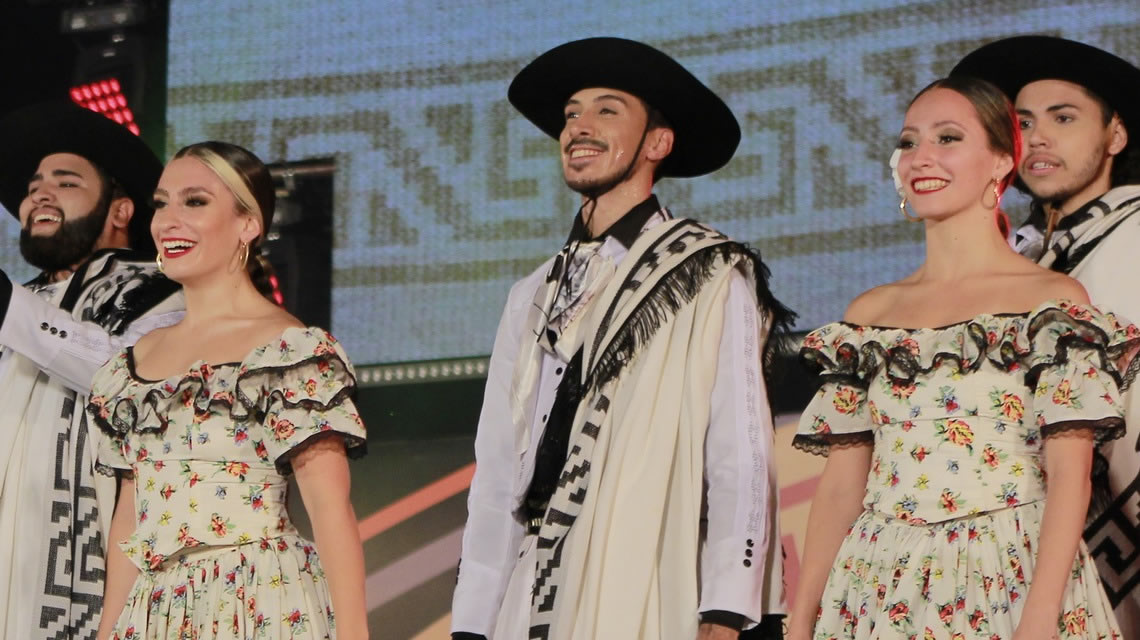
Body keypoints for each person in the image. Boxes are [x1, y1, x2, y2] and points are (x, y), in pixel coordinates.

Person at [450, 37, 791, 640]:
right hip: (534, 586)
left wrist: (727, 606)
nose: (579, 126)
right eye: (571, 113)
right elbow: (501, 470)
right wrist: (473, 622)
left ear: (657, 143)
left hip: (647, 575)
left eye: (607, 109)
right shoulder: (530, 293)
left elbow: (740, 448)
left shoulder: (705, 273)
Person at [787, 76, 1130, 640]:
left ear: (1000, 162)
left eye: (948, 138)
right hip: (875, 584)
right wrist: (800, 619)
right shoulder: (869, 315)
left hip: (1008, 576)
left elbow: (1071, 477)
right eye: (908, 142)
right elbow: (841, 487)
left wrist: (1040, 617)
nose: (921, 156)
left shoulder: (1051, 304)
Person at [86, 142, 368, 639]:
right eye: (162, 202)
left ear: (248, 224)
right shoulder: (132, 365)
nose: (168, 220)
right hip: (157, 612)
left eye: (194, 202)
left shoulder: (288, 351)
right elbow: (130, 522)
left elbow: (330, 511)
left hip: (260, 601)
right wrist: (108, 630)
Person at [952, 37, 1140, 636]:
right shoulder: (1018, 254)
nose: (1037, 138)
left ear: (1115, 136)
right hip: (1011, 544)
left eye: (1064, 118)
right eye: (1022, 123)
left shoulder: (1133, 235)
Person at [0, 101, 184, 639]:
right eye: (34, 184)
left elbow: (123, 374)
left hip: (88, 561)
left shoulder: (161, 294)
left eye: (65, 182)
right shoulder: (21, 301)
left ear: (121, 210)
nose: (39, 193)